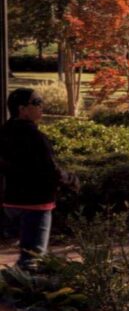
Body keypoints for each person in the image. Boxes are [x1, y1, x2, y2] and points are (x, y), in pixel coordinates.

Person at [0, 88, 77, 270]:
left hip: (10, 203)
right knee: (33, 259)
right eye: (36, 102)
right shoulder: (36, 137)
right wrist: (72, 180)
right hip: (35, 203)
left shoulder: (4, 133)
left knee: (27, 256)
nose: (41, 106)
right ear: (22, 109)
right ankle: (21, 286)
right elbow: (51, 170)